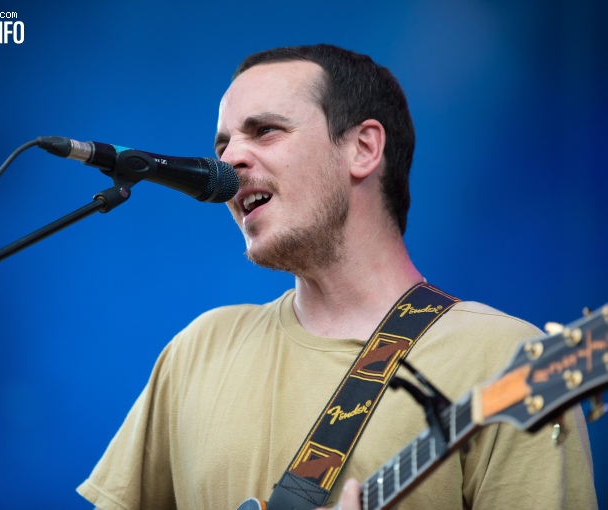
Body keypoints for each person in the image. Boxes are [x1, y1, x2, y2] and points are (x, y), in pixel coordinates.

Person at [77, 44, 597, 510]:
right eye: (223, 144)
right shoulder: (198, 349)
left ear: (364, 148)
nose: (229, 159)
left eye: (265, 131)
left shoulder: (501, 358)